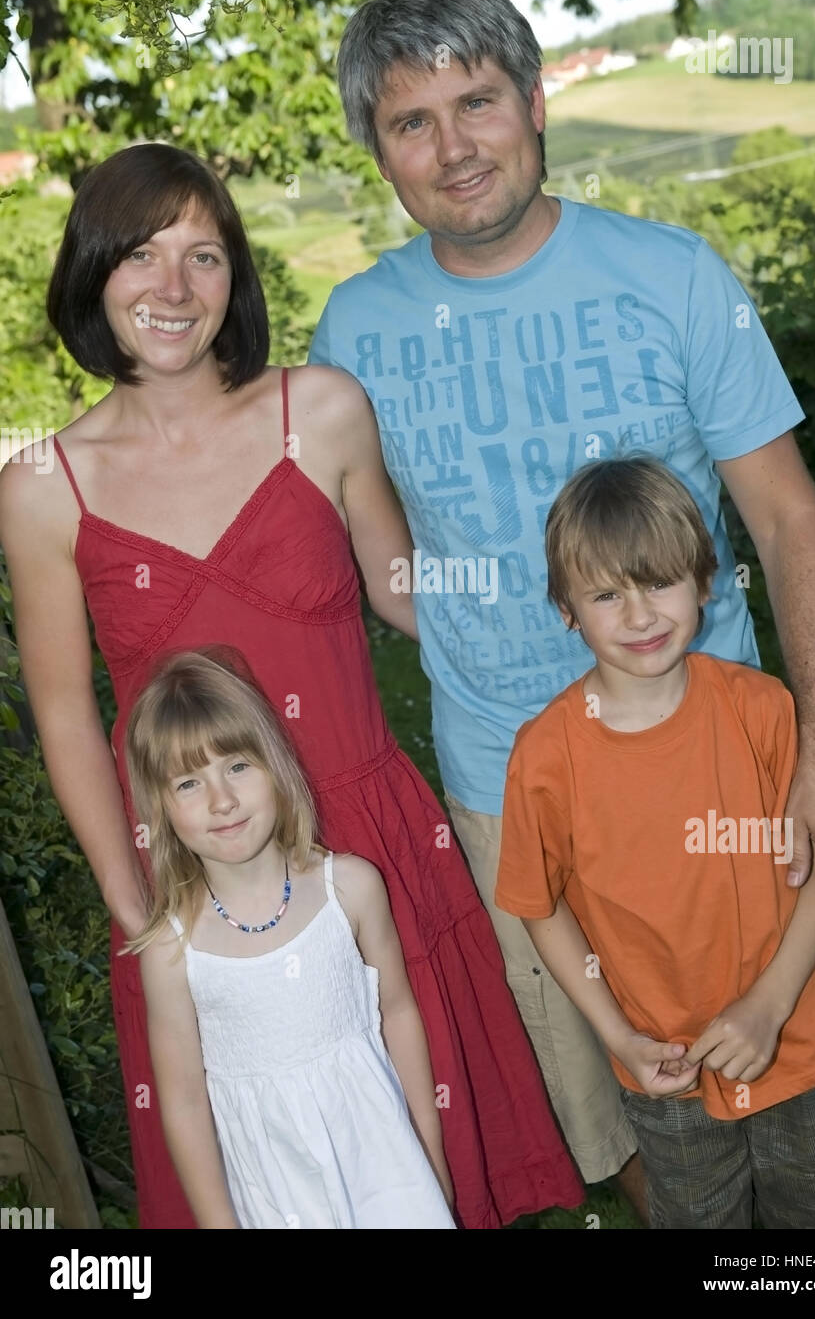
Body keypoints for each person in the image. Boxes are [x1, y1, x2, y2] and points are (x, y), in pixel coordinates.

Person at [307, 0, 815, 1204]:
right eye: (413, 121)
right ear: (379, 149)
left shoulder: (673, 275)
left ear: (533, 102)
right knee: (632, 1113)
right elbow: (382, 565)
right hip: (515, 796)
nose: (454, 147)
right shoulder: (353, 334)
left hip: (726, 778)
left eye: (478, 102)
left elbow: (787, 519)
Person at [0, 141, 583, 1228]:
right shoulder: (42, 488)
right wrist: (139, 912)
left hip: (367, 841)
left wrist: (594, 596)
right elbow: (68, 719)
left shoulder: (318, 410)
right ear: (91, 273)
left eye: (204, 257)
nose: (174, 289)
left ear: (237, 278)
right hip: (197, 872)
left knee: (423, 1160)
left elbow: (410, 594)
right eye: (140, 256)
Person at [495, 456, 815, 1228]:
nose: (640, 615)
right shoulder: (545, 757)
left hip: (800, 1050)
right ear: (567, 608)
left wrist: (770, 1008)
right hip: (666, 1074)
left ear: (707, 581)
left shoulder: (765, 712)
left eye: (661, 582)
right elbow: (539, 907)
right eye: (608, 594)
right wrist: (619, 1037)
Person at [128, 649, 455, 1230]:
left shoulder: (350, 890)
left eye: (236, 766)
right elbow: (180, 1100)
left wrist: (429, 1157)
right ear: (161, 807)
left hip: (382, 1163)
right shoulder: (174, 952)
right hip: (276, 1189)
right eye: (188, 782)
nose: (221, 800)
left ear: (274, 766)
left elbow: (398, 1012)